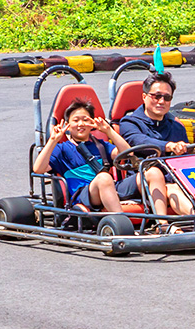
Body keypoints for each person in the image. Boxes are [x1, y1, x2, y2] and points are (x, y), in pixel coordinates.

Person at [33, 98, 180, 231]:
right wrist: (52, 140)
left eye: (85, 120)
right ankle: (123, 226)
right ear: (67, 125)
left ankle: (163, 224)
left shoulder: (101, 145)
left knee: (153, 172)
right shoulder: (62, 149)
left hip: (111, 187)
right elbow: (38, 169)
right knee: (104, 177)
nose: (81, 124)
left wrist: (109, 131)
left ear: (92, 123)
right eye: (76, 120)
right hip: (84, 194)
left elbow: (128, 153)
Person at [118, 71, 192, 214]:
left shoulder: (176, 126)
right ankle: (164, 225)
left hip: (171, 179)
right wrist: (169, 146)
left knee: (173, 186)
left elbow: (185, 158)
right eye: (156, 96)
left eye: (167, 97)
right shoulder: (129, 123)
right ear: (144, 97)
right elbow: (140, 142)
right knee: (162, 180)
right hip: (139, 178)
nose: (161, 101)